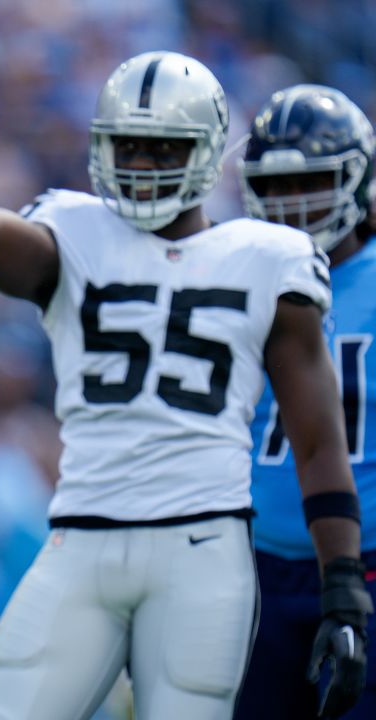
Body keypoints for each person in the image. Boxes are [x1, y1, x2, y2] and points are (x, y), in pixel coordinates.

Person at [0, 52, 370, 719]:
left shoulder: (268, 260)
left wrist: (342, 581)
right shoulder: (74, 231)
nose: (140, 164)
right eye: (126, 147)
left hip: (209, 539)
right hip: (88, 532)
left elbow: (316, 438)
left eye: (162, 147)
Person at [236, 84, 376, 720]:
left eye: (312, 182)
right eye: (279, 187)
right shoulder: (236, 276)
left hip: (365, 563)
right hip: (252, 566)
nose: (294, 205)